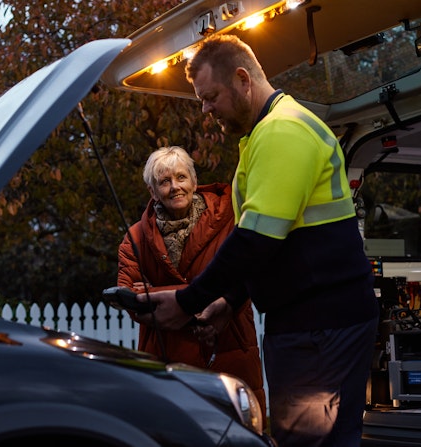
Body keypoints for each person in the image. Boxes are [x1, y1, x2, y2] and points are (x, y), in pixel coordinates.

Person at [135, 35, 380, 447]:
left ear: (243, 79)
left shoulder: (283, 132)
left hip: (322, 326)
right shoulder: (263, 136)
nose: (206, 109)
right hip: (311, 324)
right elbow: (274, 243)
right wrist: (229, 303)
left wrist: (188, 301)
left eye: (211, 96)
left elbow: (256, 240)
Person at [116, 145, 266, 425]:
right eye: (164, 181)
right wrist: (198, 302)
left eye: (181, 178)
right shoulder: (135, 238)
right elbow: (131, 294)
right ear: (152, 191)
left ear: (194, 182)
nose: (175, 187)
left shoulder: (232, 218)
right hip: (165, 361)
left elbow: (252, 270)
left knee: (236, 433)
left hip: (229, 352)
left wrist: (176, 299)